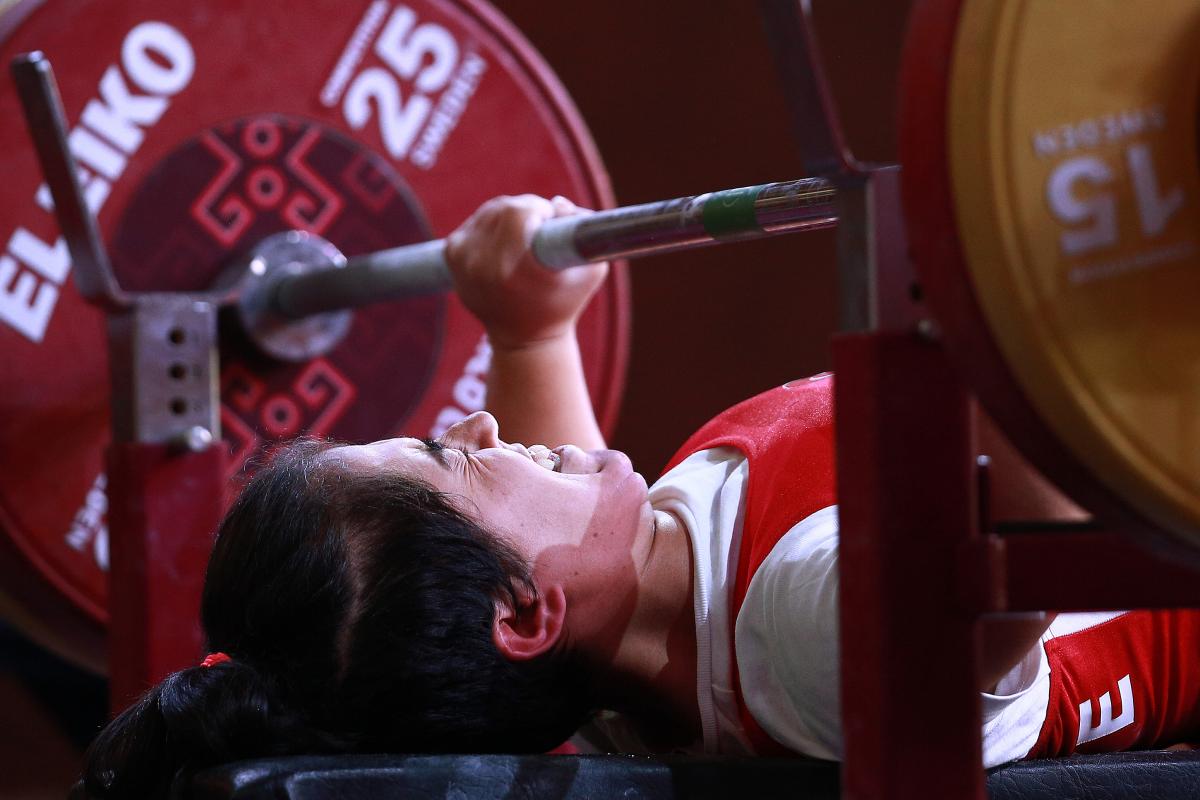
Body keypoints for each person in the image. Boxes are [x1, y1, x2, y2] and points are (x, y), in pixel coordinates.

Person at [80, 195, 1200, 798]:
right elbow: (1039, 541)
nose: (475, 419)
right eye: (450, 454)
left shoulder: (628, 647)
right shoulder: (807, 635)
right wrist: (1001, 267)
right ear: (522, 614)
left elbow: (563, 511)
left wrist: (531, 321)